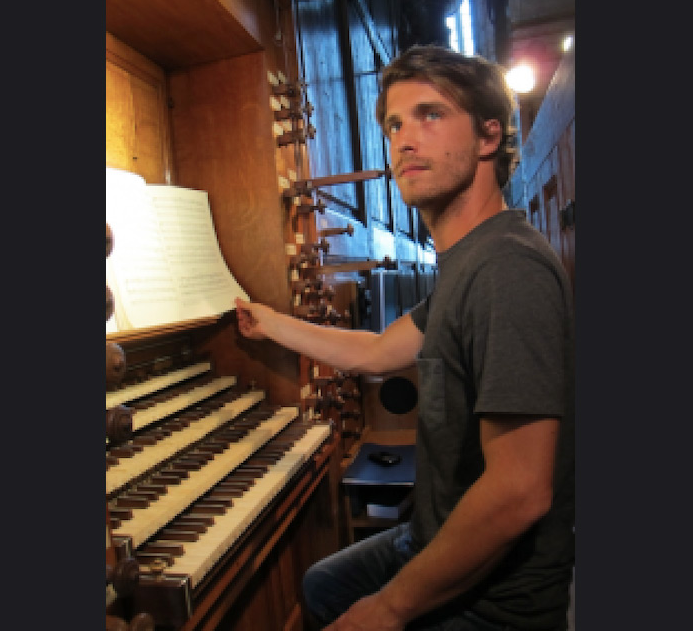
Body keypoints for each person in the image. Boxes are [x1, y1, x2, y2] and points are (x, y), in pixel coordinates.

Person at [235, 44, 574, 631]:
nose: (404, 139)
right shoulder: (467, 265)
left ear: (488, 137)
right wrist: (269, 322)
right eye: (395, 123)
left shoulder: (506, 270)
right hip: (428, 532)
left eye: (431, 115)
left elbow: (520, 490)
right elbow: (374, 350)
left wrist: (389, 608)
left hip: (500, 603)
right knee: (322, 585)